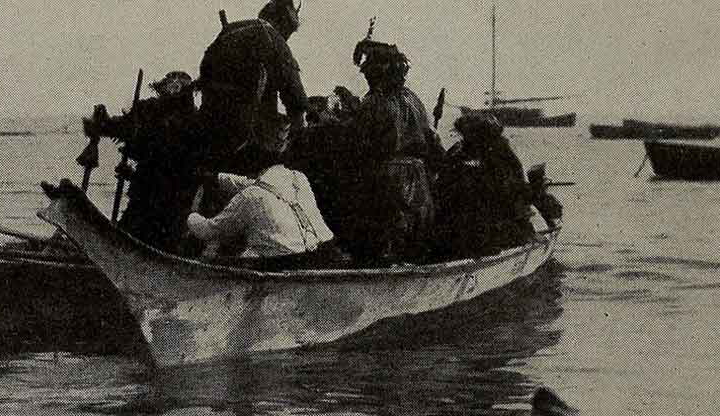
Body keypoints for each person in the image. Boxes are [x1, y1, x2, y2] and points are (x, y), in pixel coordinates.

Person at [343, 37, 446, 262]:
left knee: (383, 236)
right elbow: (431, 142)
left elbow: (358, 143)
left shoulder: (374, 102)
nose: (366, 77)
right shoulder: (414, 99)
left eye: (368, 72)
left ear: (376, 73)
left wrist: (351, 114)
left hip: (389, 179)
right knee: (413, 236)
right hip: (419, 179)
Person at [83, 71, 203, 253]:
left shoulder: (166, 118)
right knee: (142, 241)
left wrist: (105, 125)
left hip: (162, 203)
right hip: (169, 202)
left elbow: (163, 160)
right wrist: (132, 174)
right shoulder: (185, 120)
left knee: (133, 241)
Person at [197, 0, 309, 174]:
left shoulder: (230, 30)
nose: (287, 38)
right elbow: (296, 99)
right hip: (243, 137)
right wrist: (300, 142)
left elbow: (204, 69)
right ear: (283, 23)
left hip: (207, 126)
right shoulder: (275, 40)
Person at [434, 112, 539, 258]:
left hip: (496, 221)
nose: (466, 140)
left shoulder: (500, 155)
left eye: (470, 135)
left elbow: (510, 191)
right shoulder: (460, 152)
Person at [185, 163, 335, 261]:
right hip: (326, 252)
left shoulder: (249, 196)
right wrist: (216, 178)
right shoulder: (297, 178)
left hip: (287, 263)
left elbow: (209, 231)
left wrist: (191, 215)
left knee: (244, 255)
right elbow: (258, 184)